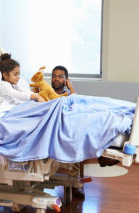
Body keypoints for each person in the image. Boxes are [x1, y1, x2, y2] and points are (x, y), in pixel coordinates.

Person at [51, 65, 119, 199]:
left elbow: (77, 107)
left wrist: (71, 88)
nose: (56, 79)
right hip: (58, 127)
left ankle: (103, 152)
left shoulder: (70, 95)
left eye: (60, 76)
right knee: (78, 137)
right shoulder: (46, 93)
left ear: (66, 80)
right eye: (54, 76)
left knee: (90, 123)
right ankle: (99, 157)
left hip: (72, 124)